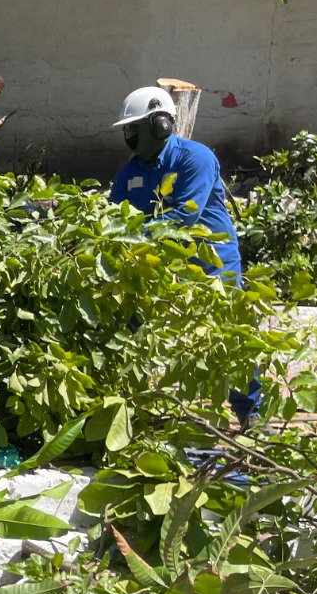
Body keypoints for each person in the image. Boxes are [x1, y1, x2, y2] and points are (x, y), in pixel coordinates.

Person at [108, 84, 260, 424]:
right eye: (127, 130)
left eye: (134, 129)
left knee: (227, 334)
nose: (129, 136)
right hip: (158, 263)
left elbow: (183, 216)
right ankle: (131, 406)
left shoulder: (197, 158)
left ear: (160, 124)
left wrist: (129, 235)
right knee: (132, 322)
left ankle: (249, 411)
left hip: (211, 261)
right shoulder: (129, 173)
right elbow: (110, 217)